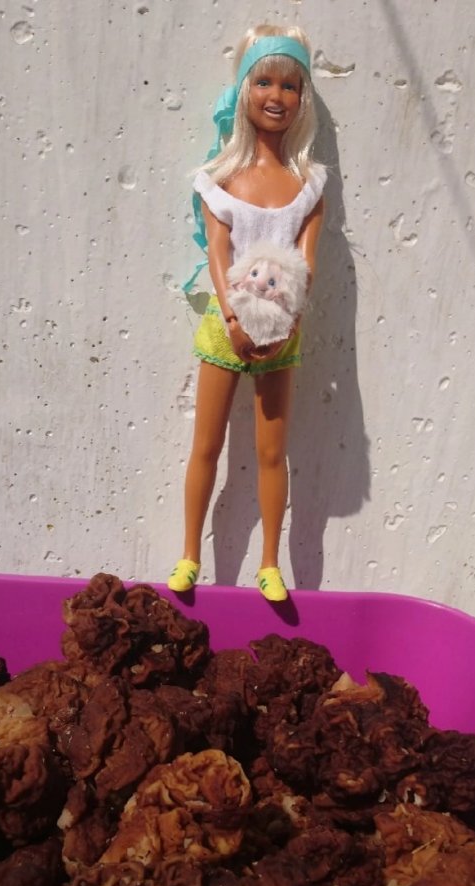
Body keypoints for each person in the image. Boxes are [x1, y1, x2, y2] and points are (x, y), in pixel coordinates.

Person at [168, 24, 326, 602]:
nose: (276, 96)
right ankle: (190, 554)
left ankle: (269, 562)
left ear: (302, 98)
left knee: (271, 452)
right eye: (264, 82)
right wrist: (234, 321)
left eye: (289, 85)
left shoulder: (308, 185)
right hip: (224, 323)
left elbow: (308, 262)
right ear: (244, 89)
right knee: (206, 445)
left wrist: (290, 323)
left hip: (284, 327)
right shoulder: (221, 180)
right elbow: (218, 252)